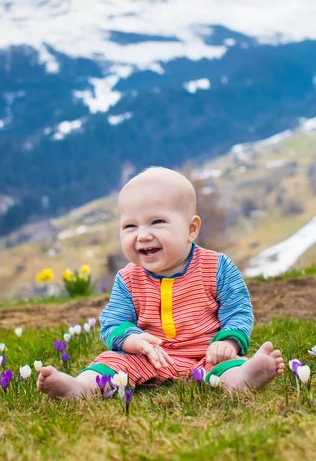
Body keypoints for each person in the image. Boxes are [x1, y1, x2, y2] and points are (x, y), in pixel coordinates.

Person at [37, 167, 284, 399]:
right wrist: (134, 341)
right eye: (130, 226)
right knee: (112, 363)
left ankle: (243, 378)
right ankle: (80, 388)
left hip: (206, 354)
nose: (143, 235)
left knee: (225, 367)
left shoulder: (216, 267)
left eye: (157, 222)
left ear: (191, 229)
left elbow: (238, 310)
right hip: (149, 357)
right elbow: (113, 322)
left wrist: (227, 342)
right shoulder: (128, 278)